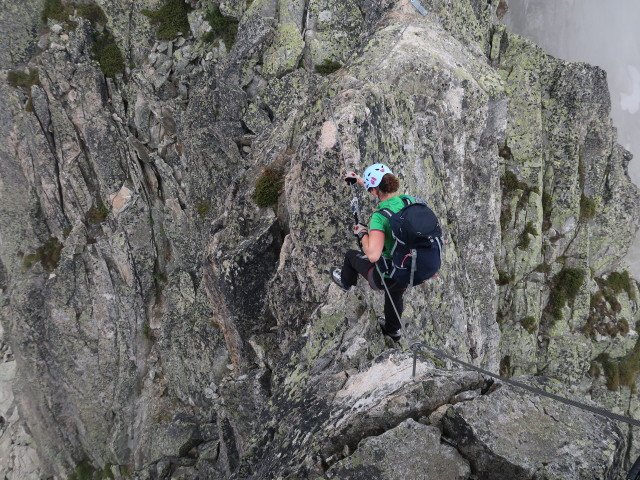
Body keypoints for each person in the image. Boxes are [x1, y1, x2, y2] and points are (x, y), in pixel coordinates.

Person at [331, 163, 439, 342]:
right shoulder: (411, 201)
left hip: (387, 274)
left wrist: (362, 233)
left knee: (351, 256)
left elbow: (373, 255)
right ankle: (393, 330)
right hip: (414, 269)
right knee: (396, 293)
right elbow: (381, 193)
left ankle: (345, 282)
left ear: (374, 190)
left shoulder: (379, 217)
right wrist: (360, 181)